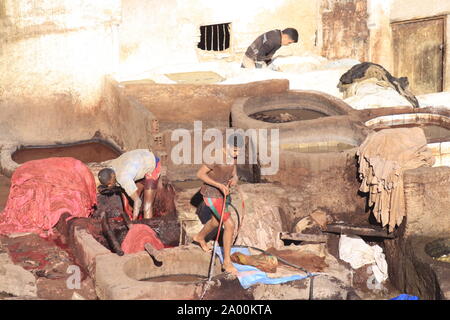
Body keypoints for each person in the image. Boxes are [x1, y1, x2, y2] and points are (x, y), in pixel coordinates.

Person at [192, 133, 244, 275]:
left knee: (216, 222)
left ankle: (199, 237)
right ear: (226, 146)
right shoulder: (215, 155)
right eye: (234, 150)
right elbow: (200, 174)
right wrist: (218, 185)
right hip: (211, 194)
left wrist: (234, 179)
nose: (237, 153)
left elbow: (234, 172)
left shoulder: (233, 156)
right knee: (230, 225)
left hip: (223, 193)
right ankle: (227, 262)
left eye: (239, 150)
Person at [97, 149, 162, 220]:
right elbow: (123, 187)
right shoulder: (112, 167)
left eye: (109, 183)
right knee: (134, 196)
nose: (109, 186)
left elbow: (138, 202)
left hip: (152, 163)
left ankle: (148, 228)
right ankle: (136, 215)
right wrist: (126, 208)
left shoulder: (123, 178)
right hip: (141, 160)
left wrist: (133, 222)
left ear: (112, 175)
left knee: (147, 206)